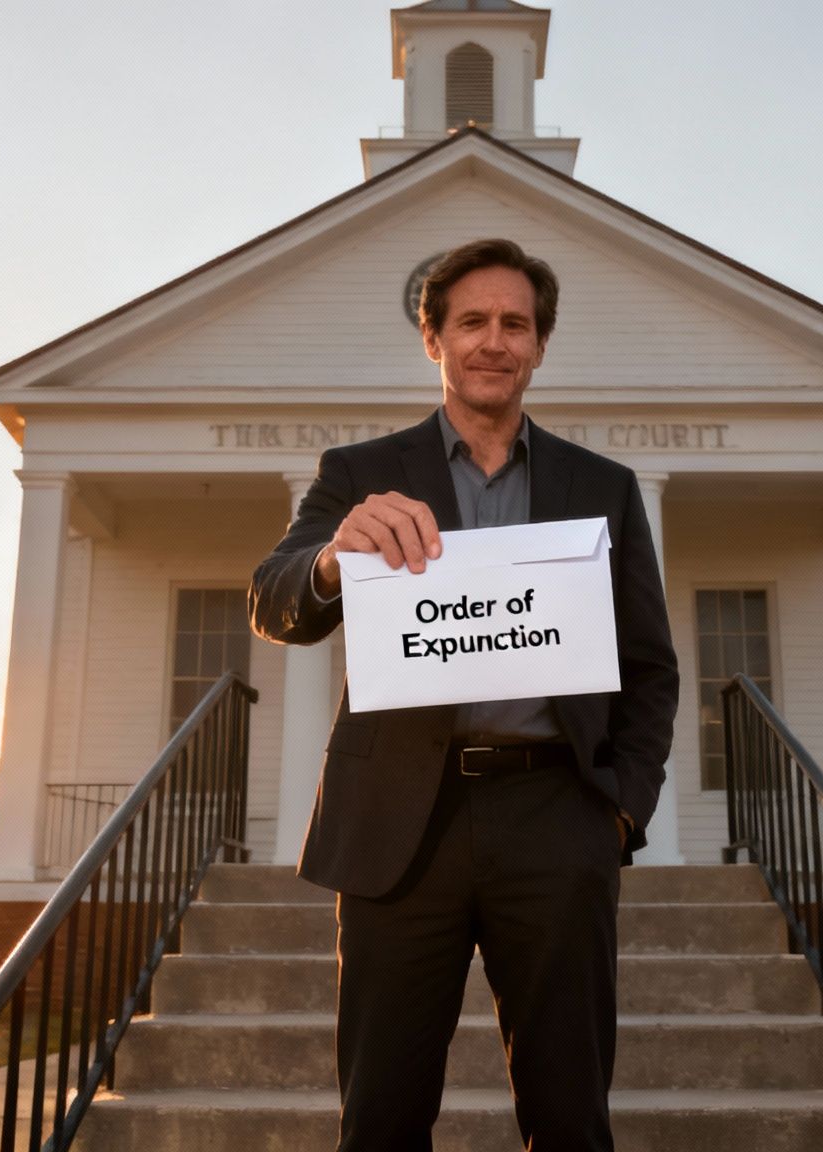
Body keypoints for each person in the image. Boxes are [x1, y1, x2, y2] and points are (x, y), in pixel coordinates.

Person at [249, 237, 678, 1151]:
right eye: (472, 321)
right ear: (433, 340)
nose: (494, 340)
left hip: (557, 815)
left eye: (514, 324)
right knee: (381, 1117)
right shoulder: (358, 474)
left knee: (570, 1116)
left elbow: (649, 667)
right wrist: (333, 557)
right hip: (400, 821)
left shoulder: (603, 488)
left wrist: (619, 809)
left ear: (539, 346)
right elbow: (276, 603)